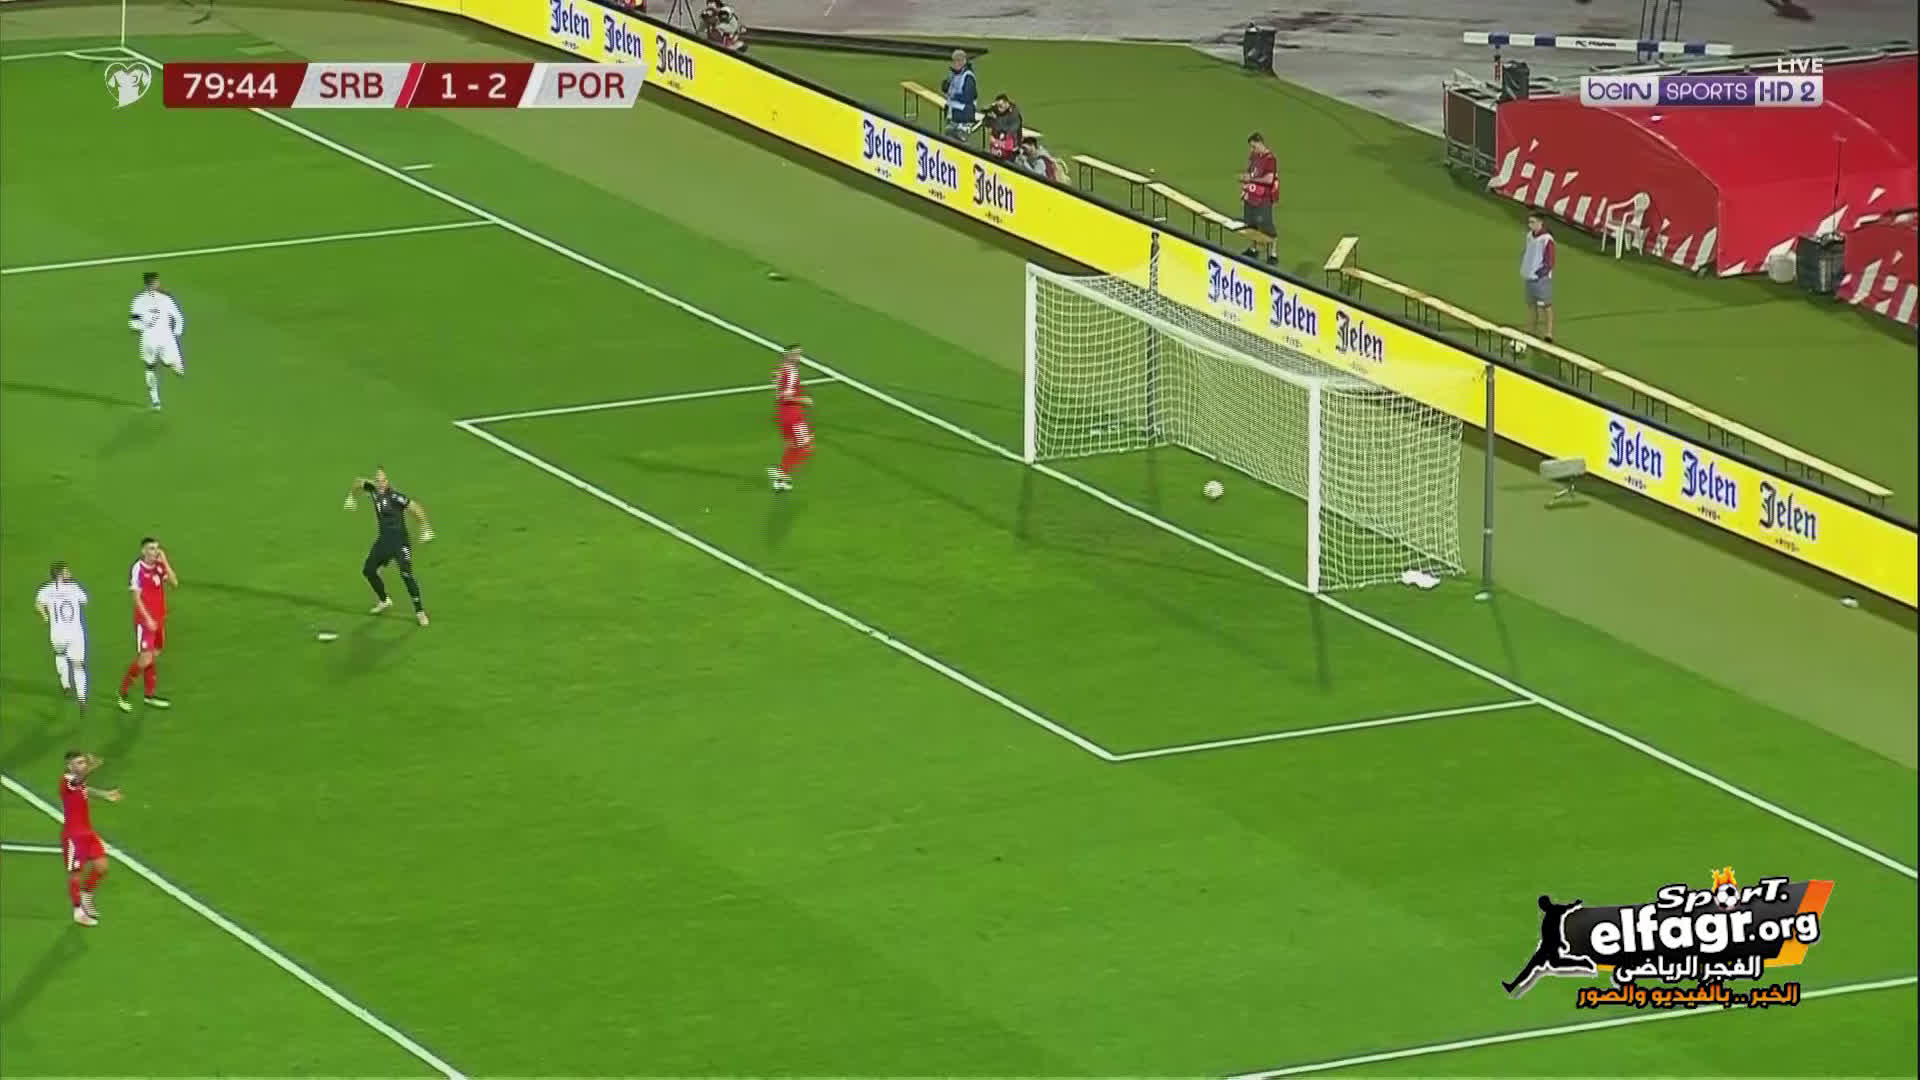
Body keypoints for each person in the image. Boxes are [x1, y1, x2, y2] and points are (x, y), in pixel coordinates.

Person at [345, 468, 434, 626]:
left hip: (400, 542)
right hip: (384, 541)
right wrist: (351, 497)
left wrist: (425, 528)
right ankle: (384, 600)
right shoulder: (373, 490)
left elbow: (415, 508)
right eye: (378, 480)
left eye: (383, 480)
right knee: (368, 570)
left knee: (406, 574)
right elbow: (358, 482)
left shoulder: (395, 497)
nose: (380, 483)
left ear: (387, 482)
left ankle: (420, 612)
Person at [60, 751, 122, 927]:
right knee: (76, 874)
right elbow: (78, 781)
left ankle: (86, 895)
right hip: (73, 836)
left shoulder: (78, 782)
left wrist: (105, 794)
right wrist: (92, 767)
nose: (83, 765)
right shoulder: (66, 781)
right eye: (79, 763)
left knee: (102, 868)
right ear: (69, 766)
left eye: (83, 762)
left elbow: (85, 788)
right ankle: (78, 912)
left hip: (88, 833)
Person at [118, 538, 175, 712]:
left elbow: (174, 583)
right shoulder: (138, 569)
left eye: (157, 548)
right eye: (151, 548)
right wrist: (148, 618)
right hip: (145, 622)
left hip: (159, 619)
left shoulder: (159, 567)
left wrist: (165, 562)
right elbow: (136, 598)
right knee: (145, 658)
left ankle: (149, 695)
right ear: (143, 551)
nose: (155, 551)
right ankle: (122, 692)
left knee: (154, 654)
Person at [37, 561, 90, 712]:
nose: (70, 574)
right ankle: (82, 698)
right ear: (60, 575)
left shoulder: (45, 590)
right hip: (75, 633)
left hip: (57, 633)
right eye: (67, 572)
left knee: (60, 654)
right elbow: (84, 601)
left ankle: (65, 684)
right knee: (78, 665)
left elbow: (38, 604)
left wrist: (45, 615)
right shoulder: (74, 588)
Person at [129, 270, 186, 411]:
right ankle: (173, 365)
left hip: (148, 338)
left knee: (150, 367)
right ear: (156, 282)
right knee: (172, 361)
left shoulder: (138, 300)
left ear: (145, 284)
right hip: (166, 336)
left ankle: (156, 402)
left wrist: (141, 328)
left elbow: (133, 324)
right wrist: (177, 333)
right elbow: (179, 317)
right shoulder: (166, 298)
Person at [767, 348, 814, 492]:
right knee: (805, 447)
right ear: (788, 356)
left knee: (794, 446)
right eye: (796, 354)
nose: (799, 357)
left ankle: (781, 478)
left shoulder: (782, 370)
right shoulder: (791, 372)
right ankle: (780, 473)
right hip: (793, 416)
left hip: (783, 414)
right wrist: (804, 400)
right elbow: (786, 397)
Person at [1239, 133, 1280, 265]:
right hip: (1251, 195)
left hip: (1263, 198)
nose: (1252, 149)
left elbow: (1269, 179)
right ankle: (1254, 249)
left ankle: (1273, 254)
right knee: (1251, 224)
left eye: (1254, 146)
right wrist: (1244, 187)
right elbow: (1250, 171)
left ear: (1260, 143)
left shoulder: (1270, 159)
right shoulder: (1255, 156)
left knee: (1266, 225)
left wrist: (1251, 179)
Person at [1522, 212, 1557, 342]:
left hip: (1541, 278)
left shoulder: (1547, 239)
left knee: (1546, 306)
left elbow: (1550, 260)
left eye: (1532, 222)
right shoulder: (1529, 236)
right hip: (1529, 275)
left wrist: (1541, 272)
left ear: (1540, 223)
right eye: (1529, 222)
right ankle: (1532, 329)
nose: (1529, 225)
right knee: (1531, 305)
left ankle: (1548, 333)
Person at [940, 50, 978, 140]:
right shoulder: (954, 74)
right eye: (954, 61)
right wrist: (947, 82)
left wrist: (953, 95)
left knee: (959, 144)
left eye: (957, 61)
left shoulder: (968, 77)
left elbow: (968, 97)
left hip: (963, 117)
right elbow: (945, 88)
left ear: (963, 62)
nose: (955, 63)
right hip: (953, 116)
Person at [982, 94, 1023, 161]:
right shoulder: (995, 110)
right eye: (997, 106)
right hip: (996, 146)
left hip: (1011, 148)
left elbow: (1011, 129)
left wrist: (995, 120)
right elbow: (985, 122)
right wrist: (988, 116)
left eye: (1001, 106)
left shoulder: (1014, 113)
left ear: (1006, 103)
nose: (998, 109)